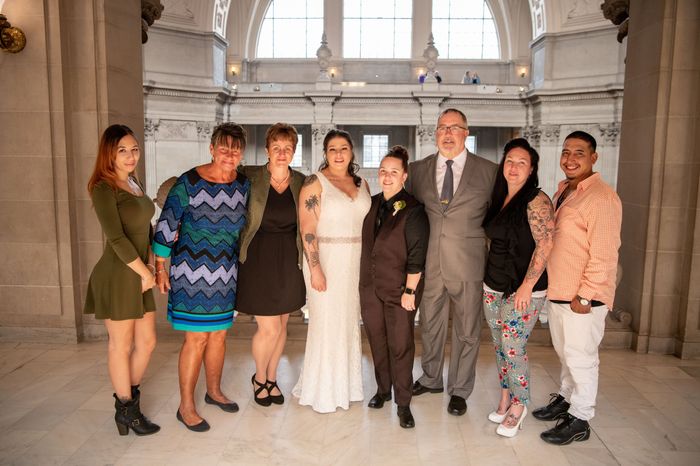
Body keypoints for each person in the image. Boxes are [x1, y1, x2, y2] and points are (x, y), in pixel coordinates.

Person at [153, 122, 250, 432]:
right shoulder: (190, 182)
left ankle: (214, 391)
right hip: (191, 274)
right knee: (197, 338)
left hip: (226, 272)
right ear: (211, 149)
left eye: (235, 150)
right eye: (224, 148)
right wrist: (160, 266)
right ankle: (186, 406)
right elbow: (167, 224)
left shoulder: (243, 185)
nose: (230, 155)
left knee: (219, 335)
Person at [406, 108, 497, 416]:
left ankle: (460, 389)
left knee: (467, 330)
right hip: (429, 263)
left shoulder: (489, 171)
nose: (447, 133)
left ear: (466, 133)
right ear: (435, 133)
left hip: (469, 264)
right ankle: (431, 378)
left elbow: (497, 219)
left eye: (454, 127)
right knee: (429, 325)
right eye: (442, 128)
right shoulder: (417, 170)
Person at [533, 131, 622, 445]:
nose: (570, 159)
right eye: (566, 152)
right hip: (561, 291)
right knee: (566, 353)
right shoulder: (565, 190)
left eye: (579, 153)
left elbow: (605, 254)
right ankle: (567, 399)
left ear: (594, 158)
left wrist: (585, 295)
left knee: (582, 358)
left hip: (583, 297)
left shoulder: (601, 198)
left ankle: (581, 418)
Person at [84, 124, 160, 436]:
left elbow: (146, 227)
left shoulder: (133, 181)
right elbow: (116, 238)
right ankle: (128, 410)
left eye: (134, 149)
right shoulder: (103, 187)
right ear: (109, 154)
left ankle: (126, 404)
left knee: (147, 342)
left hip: (142, 270)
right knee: (121, 345)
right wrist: (145, 273)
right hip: (119, 273)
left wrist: (151, 263)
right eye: (123, 151)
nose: (131, 156)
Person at [292, 129, 371, 413]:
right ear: (325, 153)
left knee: (348, 322)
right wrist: (315, 269)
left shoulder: (362, 183)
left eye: (343, 148)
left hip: (355, 262)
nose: (338, 154)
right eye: (332, 149)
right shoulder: (315, 182)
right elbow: (307, 228)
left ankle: (347, 387)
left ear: (352, 152)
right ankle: (323, 391)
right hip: (325, 259)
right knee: (326, 324)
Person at [481, 138, 555, 437]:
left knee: (513, 347)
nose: (513, 167)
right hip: (494, 284)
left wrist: (527, 286)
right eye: (509, 161)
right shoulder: (499, 196)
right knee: (500, 345)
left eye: (521, 162)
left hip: (525, 287)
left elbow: (545, 244)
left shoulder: (537, 200)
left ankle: (519, 404)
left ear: (532, 168)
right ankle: (505, 397)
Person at [236, 123, 306, 407]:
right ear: (267, 150)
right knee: (269, 328)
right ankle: (259, 377)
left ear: (294, 151)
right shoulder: (249, 176)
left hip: (289, 259)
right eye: (276, 147)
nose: (281, 153)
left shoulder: (302, 182)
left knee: (282, 324)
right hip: (257, 258)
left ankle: (272, 378)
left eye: (287, 148)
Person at [359, 146, 429, 429]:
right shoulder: (372, 203)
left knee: (400, 346)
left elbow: (417, 255)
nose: (387, 177)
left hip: (401, 290)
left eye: (393, 172)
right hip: (370, 288)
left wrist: (410, 291)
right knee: (377, 340)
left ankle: (403, 403)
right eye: (383, 171)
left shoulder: (414, 210)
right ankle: (382, 390)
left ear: (404, 176)